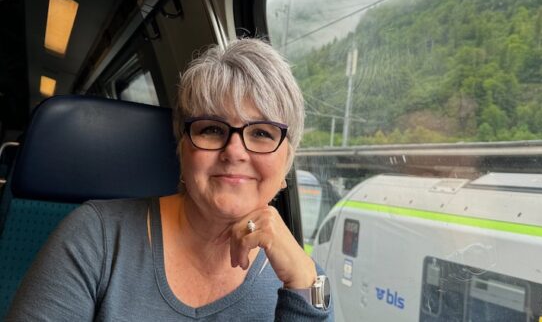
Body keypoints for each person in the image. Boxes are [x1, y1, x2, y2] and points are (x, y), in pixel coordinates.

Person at [6, 39, 332, 321]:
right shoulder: (95, 236)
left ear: (287, 159)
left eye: (262, 133)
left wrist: (305, 284)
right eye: (212, 129)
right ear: (182, 148)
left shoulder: (303, 277)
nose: (235, 152)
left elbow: (312, 293)